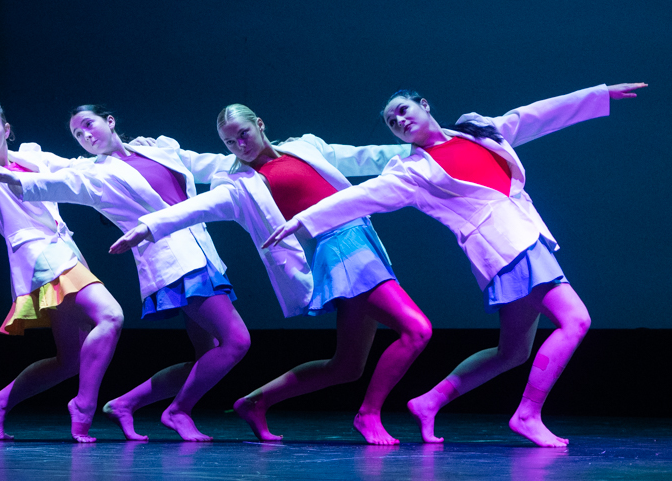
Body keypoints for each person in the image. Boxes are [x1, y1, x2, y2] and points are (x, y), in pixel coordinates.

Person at [265, 82, 647, 447]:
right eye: (392, 122)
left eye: (403, 110)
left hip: (525, 240)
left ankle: (429, 401)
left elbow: (531, 116)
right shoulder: (411, 172)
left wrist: (598, 96)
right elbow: (361, 197)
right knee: (576, 320)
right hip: (508, 249)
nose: (400, 121)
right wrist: (304, 219)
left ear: (424, 105)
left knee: (512, 352)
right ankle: (528, 415)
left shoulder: (477, 130)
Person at [111, 104, 431, 444]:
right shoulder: (240, 185)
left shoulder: (305, 147)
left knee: (347, 366)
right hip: (339, 252)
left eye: (243, 134)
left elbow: (363, 157)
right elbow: (194, 208)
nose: (239, 145)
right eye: (229, 142)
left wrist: (425, 148)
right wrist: (149, 226)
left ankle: (256, 402)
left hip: (362, 240)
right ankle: (368, 415)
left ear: (259, 124)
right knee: (416, 329)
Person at [0, 105, 248, 442]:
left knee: (207, 355)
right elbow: (57, 182)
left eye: (89, 125)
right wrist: (17, 179)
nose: (87, 136)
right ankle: (178, 412)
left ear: (110, 121)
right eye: (78, 134)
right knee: (237, 341)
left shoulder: (157, 148)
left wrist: (259, 159)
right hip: (175, 263)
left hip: (204, 254)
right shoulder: (96, 174)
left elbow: (202, 163)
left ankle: (126, 403)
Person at [0, 101, 124, 442]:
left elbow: (79, 168)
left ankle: (0, 402)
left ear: (7, 129)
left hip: (65, 251)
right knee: (111, 316)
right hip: (42, 256)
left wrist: (127, 150)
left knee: (71, 359)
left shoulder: (34, 157)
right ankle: (84, 406)